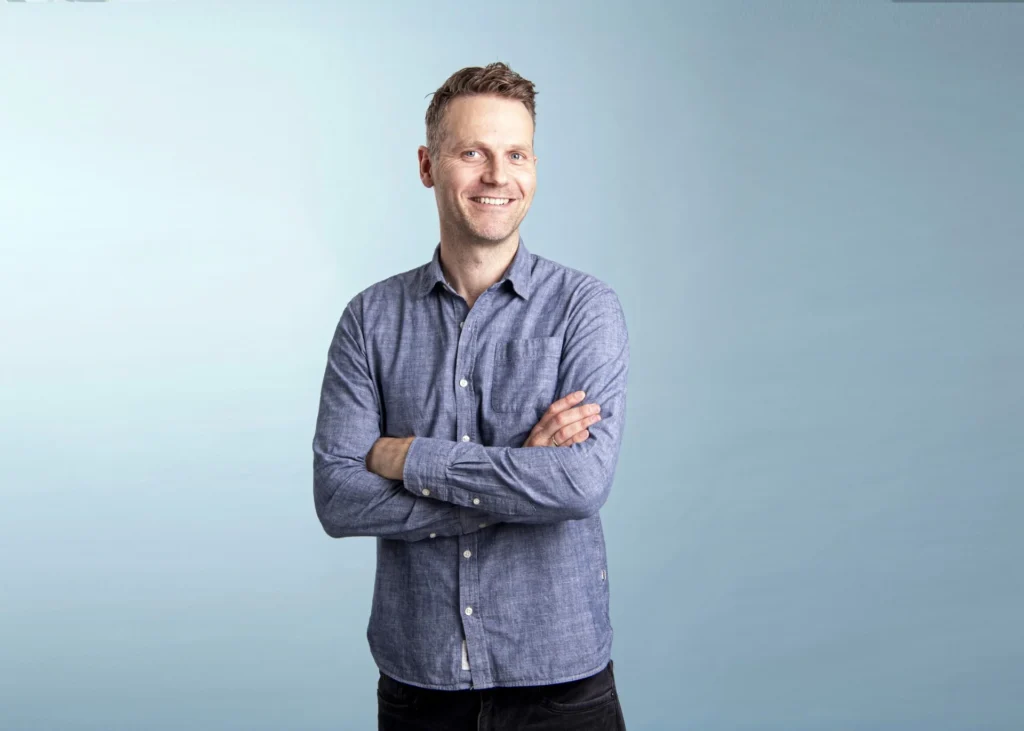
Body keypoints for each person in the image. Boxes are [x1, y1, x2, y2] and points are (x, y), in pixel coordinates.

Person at [312, 61, 629, 730]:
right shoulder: (369, 319)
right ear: (429, 165)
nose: (497, 175)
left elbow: (579, 485)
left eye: (516, 153)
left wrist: (409, 460)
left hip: (563, 686)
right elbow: (338, 498)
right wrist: (519, 475)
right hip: (418, 683)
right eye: (472, 153)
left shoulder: (585, 309)